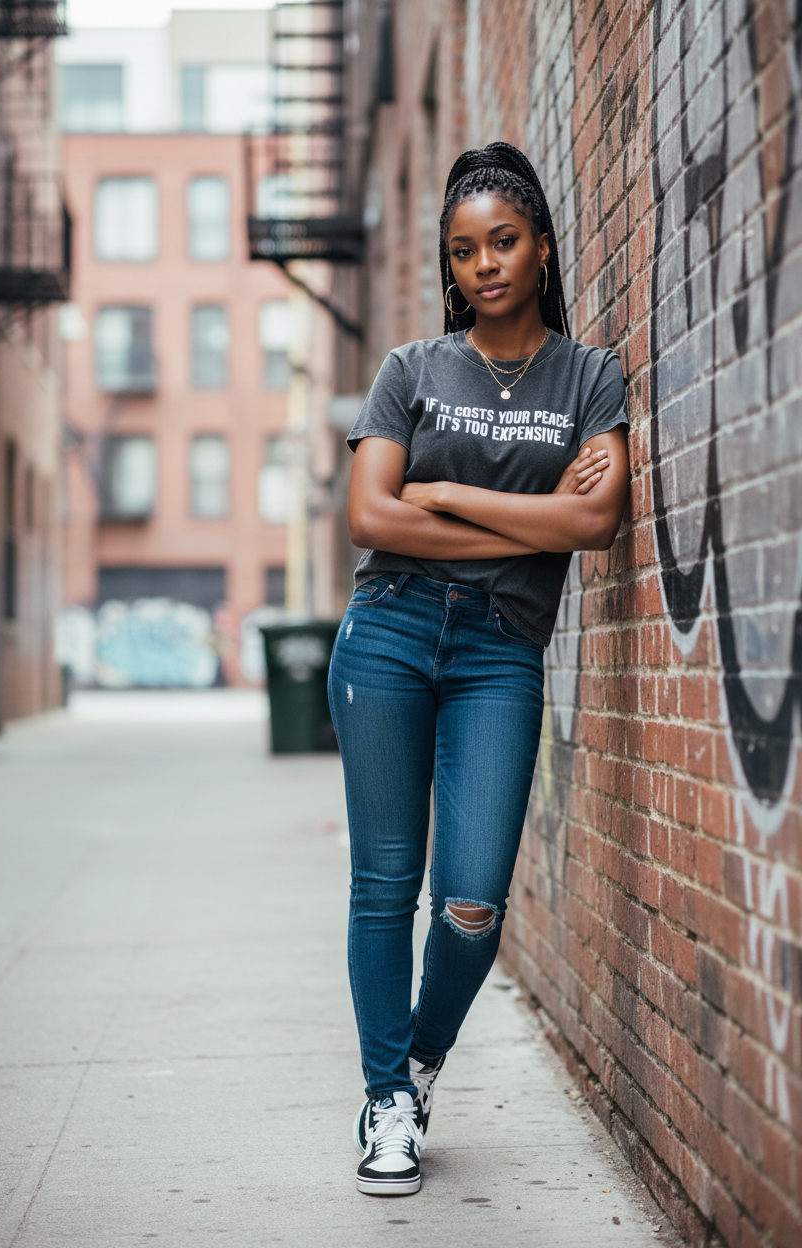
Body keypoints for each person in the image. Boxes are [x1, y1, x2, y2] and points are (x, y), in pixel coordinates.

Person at [328, 142, 630, 1196]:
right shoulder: (412, 370)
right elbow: (370, 516)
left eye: (503, 241)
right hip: (391, 633)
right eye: (464, 251)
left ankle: (417, 1061)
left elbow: (595, 520)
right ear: (449, 268)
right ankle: (387, 1102)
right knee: (384, 885)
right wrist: (527, 522)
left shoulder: (590, 376)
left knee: (470, 903)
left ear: (541, 247)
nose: (484, 265)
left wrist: (446, 498)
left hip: (501, 650)